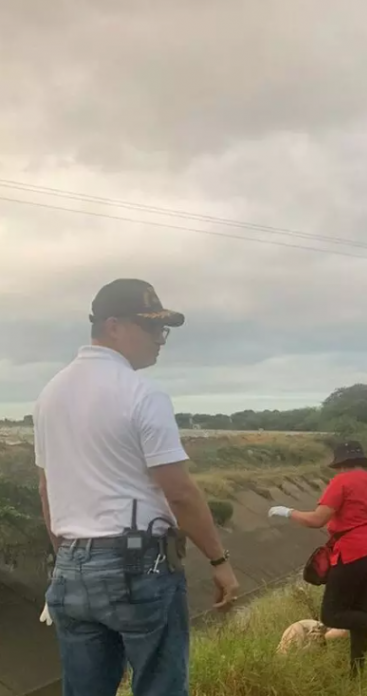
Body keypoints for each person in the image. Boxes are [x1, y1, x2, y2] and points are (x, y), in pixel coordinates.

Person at [33, 279, 239, 696]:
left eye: (162, 330)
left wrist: (72, 561)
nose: (160, 340)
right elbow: (179, 491)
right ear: (113, 326)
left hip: (71, 564)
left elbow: (46, 489)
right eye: (151, 328)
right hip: (138, 565)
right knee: (160, 687)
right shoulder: (142, 393)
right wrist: (220, 560)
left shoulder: (49, 395)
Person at [268, 442, 367, 675]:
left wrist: (288, 512)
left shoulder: (341, 481)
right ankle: (357, 673)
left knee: (332, 614)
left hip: (354, 552)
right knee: (359, 613)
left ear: (341, 464)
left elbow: (317, 519)